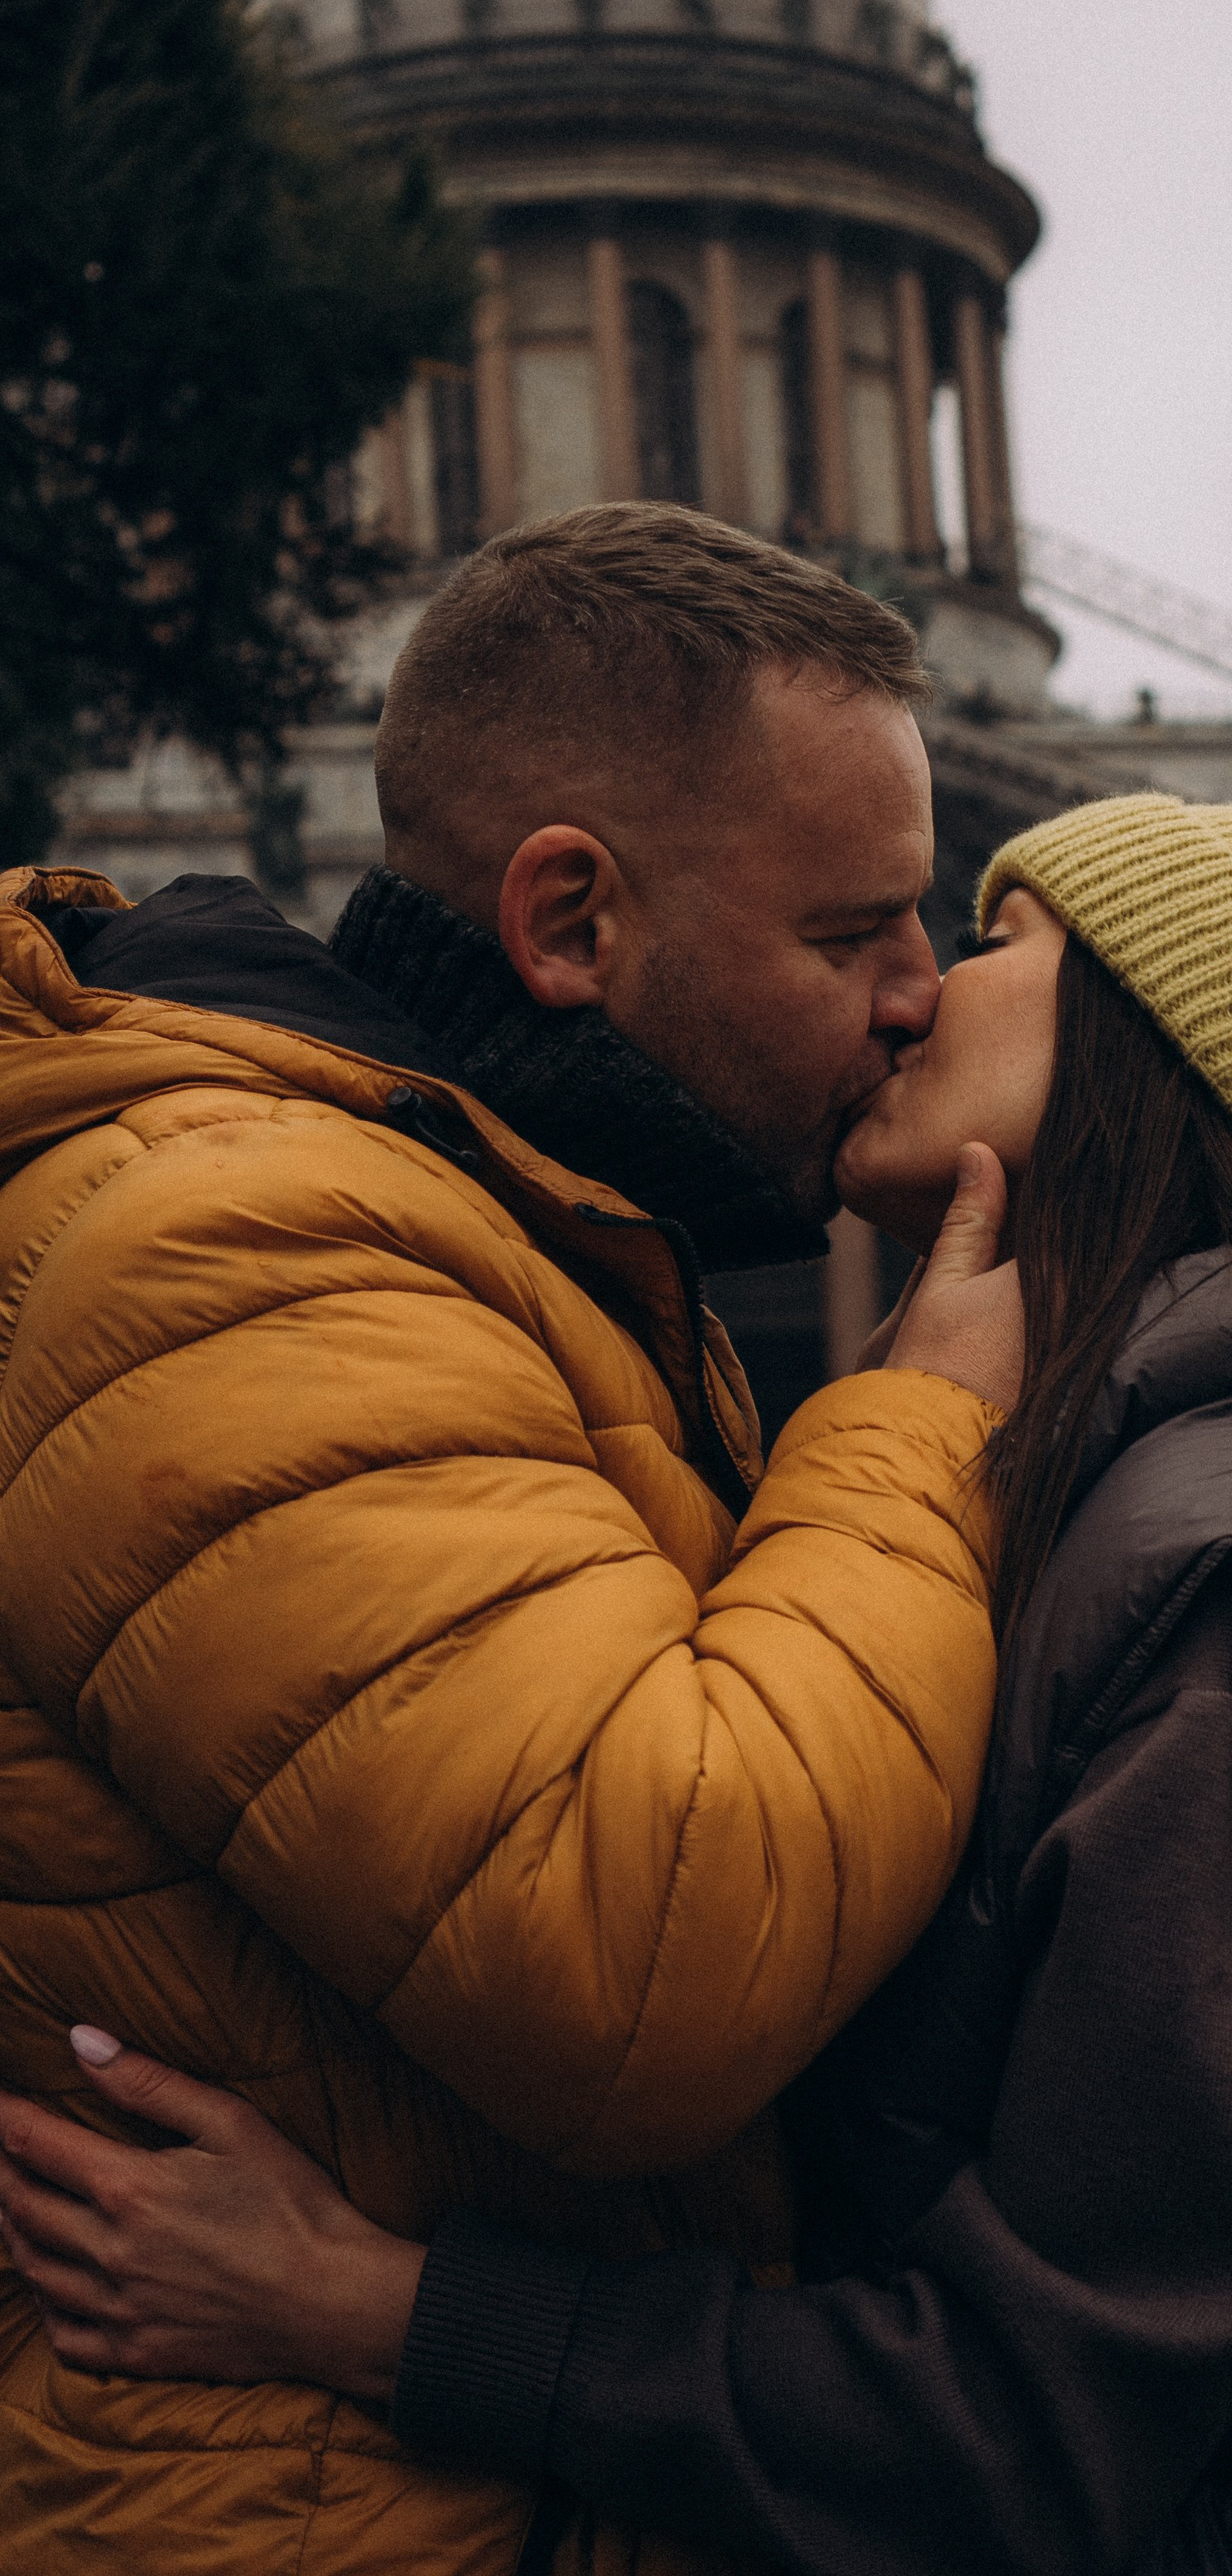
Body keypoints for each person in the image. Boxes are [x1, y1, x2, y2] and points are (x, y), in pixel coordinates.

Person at [0, 793, 1232, 2576]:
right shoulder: (1150, 1510)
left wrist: (377, 2303)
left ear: (1151, 1060)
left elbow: (1019, 2426)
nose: (912, 982)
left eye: (998, 937)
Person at [0, 504, 1022, 2571]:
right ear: (572, 924)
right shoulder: (244, 1247)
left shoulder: (500, 1229)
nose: (926, 1000)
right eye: (857, 935)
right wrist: (918, 1423)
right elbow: (645, 1949)